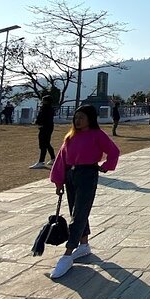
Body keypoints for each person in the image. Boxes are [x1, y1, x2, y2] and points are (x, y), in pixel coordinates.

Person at [48, 105, 120, 279]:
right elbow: (61, 158)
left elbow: (113, 151)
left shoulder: (97, 135)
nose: (77, 120)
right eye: (76, 117)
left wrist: (106, 167)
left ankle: (67, 254)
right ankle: (83, 244)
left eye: (81, 117)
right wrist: (59, 181)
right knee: (76, 210)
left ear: (90, 119)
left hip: (87, 174)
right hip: (71, 176)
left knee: (79, 213)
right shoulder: (71, 136)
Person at [30, 96, 56, 169]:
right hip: (48, 127)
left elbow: (43, 118)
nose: (42, 101)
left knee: (43, 144)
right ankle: (53, 158)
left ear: (47, 101)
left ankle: (41, 161)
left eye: (44, 100)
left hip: (45, 127)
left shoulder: (46, 109)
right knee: (47, 143)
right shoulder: (49, 108)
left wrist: (39, 123)